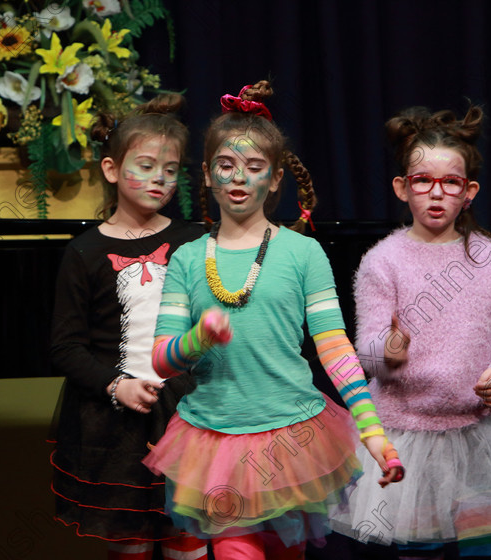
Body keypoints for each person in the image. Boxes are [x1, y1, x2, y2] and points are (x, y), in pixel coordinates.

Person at [144, 80, 404, 560]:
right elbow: (161, 361)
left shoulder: (303, 253)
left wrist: (372, 431)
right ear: (206, 175)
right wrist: (198, 339)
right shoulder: (185, 259)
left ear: (276, 178)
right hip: (214, 443)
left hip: (291, 440)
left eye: (254, 167)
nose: (239, 177)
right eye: (226, 165)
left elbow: (334, 348)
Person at [330, 105, 491, 560]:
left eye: (451, 182)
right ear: (403, 187)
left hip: (479, 434)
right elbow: (366, 353)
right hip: (406, 433)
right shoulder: (383, 261)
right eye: (423, 180)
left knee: (484, 545)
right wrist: (389, 350)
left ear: (469, 191)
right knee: (420, 544)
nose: (436, 194)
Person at [49, 94, 208, 560]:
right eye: (146, 165)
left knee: (188, 535)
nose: (160, 178)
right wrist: (115, 386)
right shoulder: (83, 252)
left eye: (171, 169)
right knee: (132, 540)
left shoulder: (194, 239)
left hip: (187, 410)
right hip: (116, 421)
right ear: (112, 169)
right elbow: (65, 347)